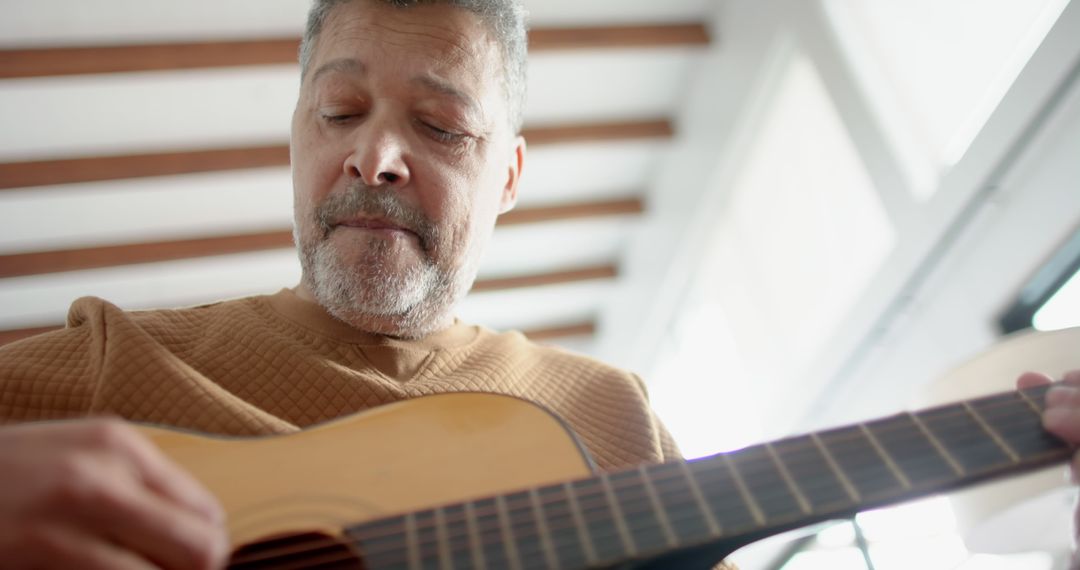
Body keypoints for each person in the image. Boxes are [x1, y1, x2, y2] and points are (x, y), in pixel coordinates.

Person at [0, 1, 1076, 569]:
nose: (377, 157)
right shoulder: (109, 361)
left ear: (506, 175)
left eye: (440, 126)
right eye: (339, 113)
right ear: (296, 137)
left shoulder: (606, 415)